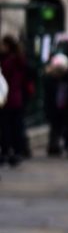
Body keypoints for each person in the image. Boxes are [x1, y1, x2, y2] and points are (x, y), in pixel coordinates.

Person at [0, 35, 31, 167]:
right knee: (15, 126)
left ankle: (9, 152)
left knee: (8, 127)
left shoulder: (10, 61)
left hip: (8, 98)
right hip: (15, 98)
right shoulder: (19, 60)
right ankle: (15, 151)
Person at [43, 52, 68, 157]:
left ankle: (57, 145)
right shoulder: (51, 79)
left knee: (59, 127)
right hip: (56, 106)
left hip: (62, 106)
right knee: (56, 127)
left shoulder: (66, 79)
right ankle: (54, 145)